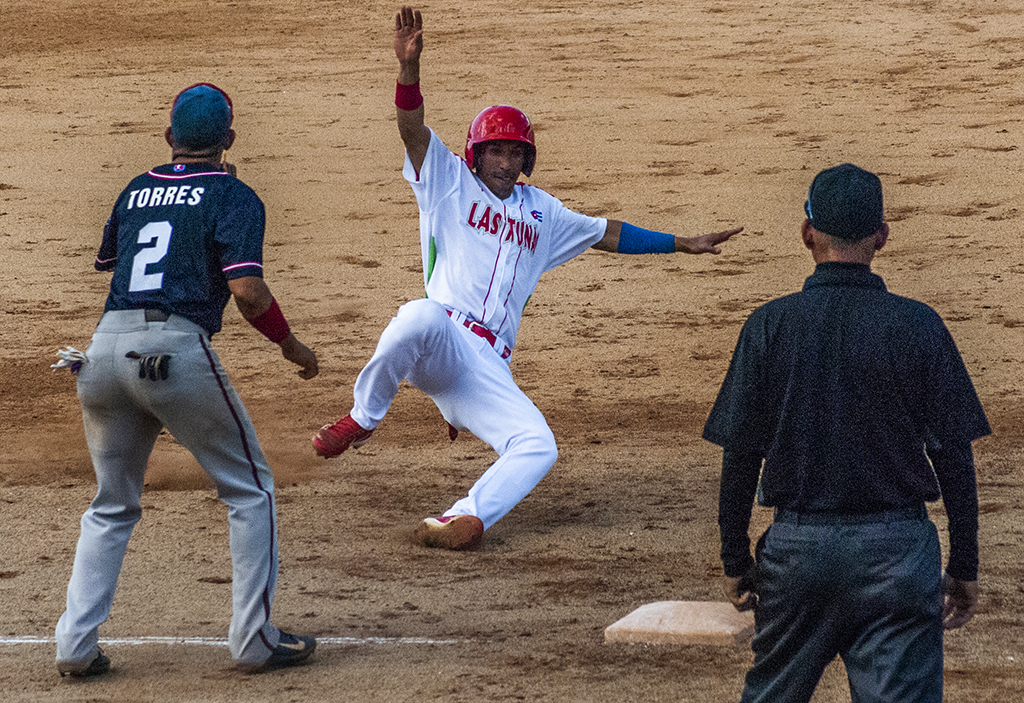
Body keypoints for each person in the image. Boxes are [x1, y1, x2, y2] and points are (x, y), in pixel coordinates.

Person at [312, 6, 742, 551]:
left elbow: (606, 233)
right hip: (439, 338)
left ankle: (464, 517)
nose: (506, 161)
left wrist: (680, 242)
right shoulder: (446, 180)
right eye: (496, 150)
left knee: (538, 445)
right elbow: (412, 128)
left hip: (485, 366)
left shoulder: (543, 211)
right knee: (415, 315)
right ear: (476, 153)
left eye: (516, 152)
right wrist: (408, 70)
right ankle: (362, 417)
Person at [55, 83, 320, 677]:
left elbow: (111, 263)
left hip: (99, 355)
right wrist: (291, 346)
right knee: (250, 492)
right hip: (172, 353)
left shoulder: (135, 188)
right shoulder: (234, 194)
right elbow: (247, 292)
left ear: (169, 137)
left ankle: (74, 647)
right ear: (229, 139)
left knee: (111, 505)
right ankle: (253, 640)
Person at [703, 163, 990, 702]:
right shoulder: (919, 324)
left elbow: (741, 455)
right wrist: (965, 564)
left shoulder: (769, 324)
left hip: (797, 553)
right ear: (882, 235)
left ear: (807, 233)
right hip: (898, 555)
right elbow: (954, 455)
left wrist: (736, 559)